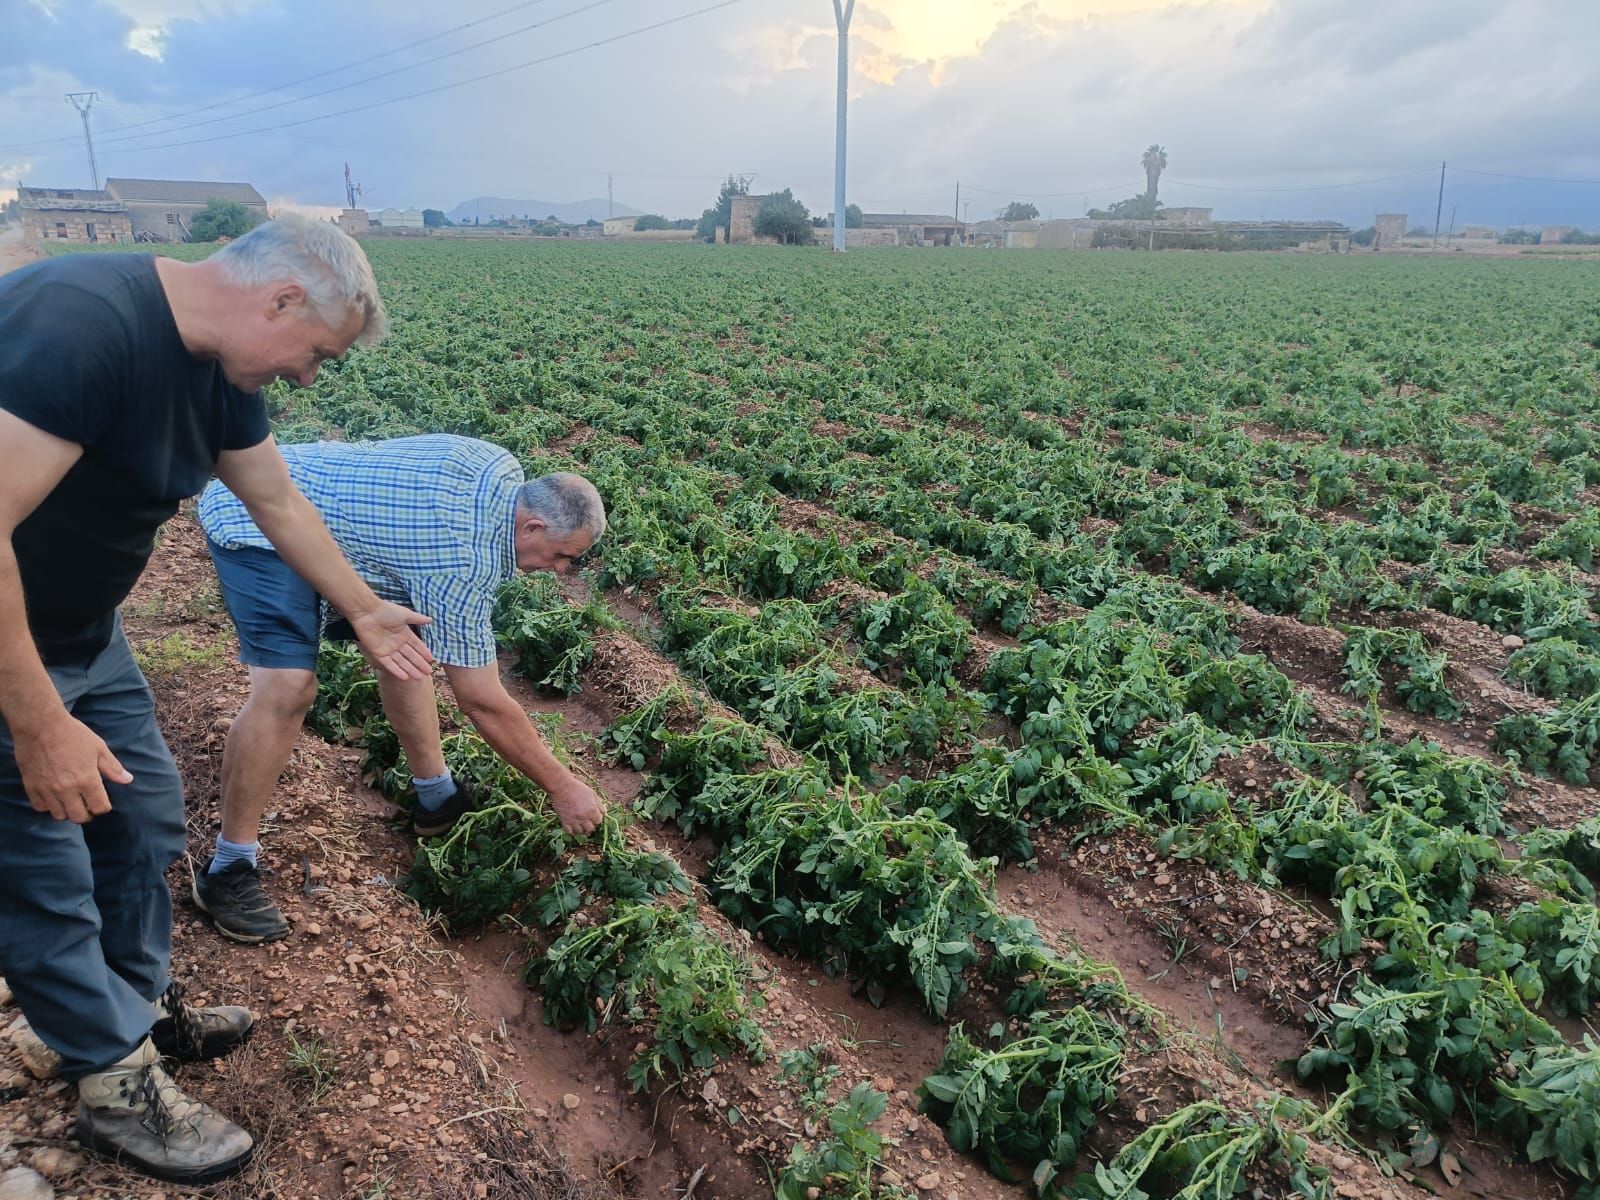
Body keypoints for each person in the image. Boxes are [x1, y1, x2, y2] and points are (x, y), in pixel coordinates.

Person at [0, 215, 436, 1184]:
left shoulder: (217, 369)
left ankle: (134, 1012)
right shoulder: (84, 326)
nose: (310, 377)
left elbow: (277, 500)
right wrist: (35, 723)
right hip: (9, 648)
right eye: (314, 352)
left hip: (81, 632)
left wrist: (365, 613)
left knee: (145, 817)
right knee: (41, 862)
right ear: (279, 299)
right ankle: (115, 1085)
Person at [194, 435, 609, 944]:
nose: (563, 571)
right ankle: (229, 870)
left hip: (342, 522)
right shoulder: (461, 557)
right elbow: (481, 700)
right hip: (257, 518)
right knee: (289, 687)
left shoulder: (500, 467)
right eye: (563, 555)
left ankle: (435, 797)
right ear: (533, 526)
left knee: (408, 650)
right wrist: (563, 789)